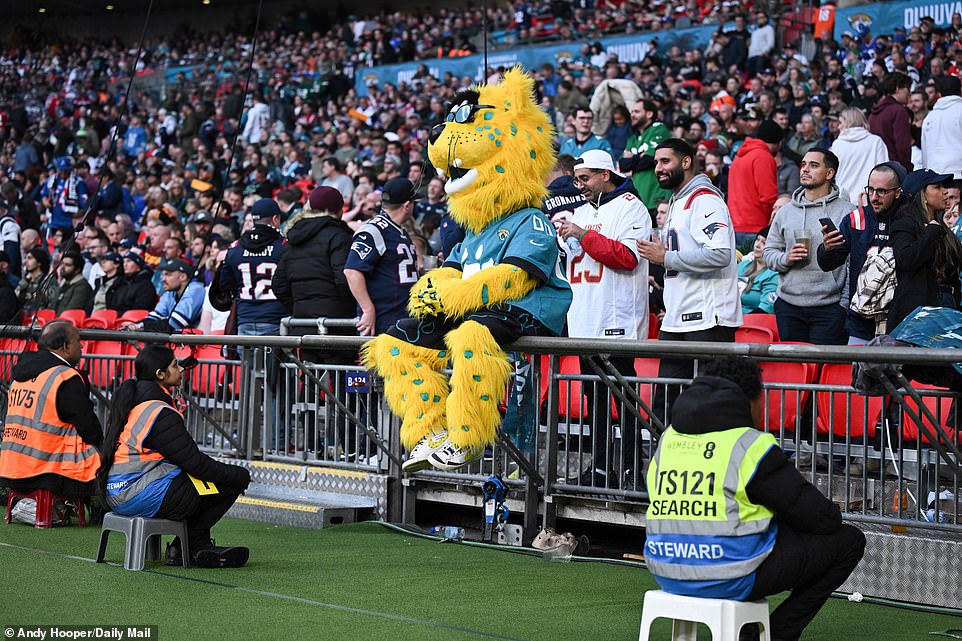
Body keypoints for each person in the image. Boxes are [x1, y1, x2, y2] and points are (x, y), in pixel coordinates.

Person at [645, 356, 865, 641]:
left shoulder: (669, 438)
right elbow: (819, 516)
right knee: (849, 541)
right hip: (727, 574)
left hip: (666, 569)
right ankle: (778, 635)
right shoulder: (748, 444)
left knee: (753, 539)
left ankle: (748, 631)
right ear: (748, 400)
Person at [99, 345, 251, 568]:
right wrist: (239, 475)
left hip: (117, 493)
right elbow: (195, 463)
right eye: (174, 365)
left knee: (196, 482)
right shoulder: (158, 412)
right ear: (160, 374)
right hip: (136, 494)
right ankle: (189, 546)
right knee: (225, 483)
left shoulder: (134, 402)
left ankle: (190, 546)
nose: (180, 369)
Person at [558, 149, 651, 488]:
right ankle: (598, 468)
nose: (579, 185)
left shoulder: (631, 207)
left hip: (617, 319)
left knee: (624, 398)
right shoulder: (579, 212)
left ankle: (630, 470)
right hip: (584, 318)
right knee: (593, 399)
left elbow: (626, 257)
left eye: (585, 179)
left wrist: (580, 234)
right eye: (577, 179)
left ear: (605, 175)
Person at [636, 139, 741, 421]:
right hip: (678, 317)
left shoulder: (704, 198)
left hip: (708, 318)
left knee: (709, 407)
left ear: (686, 162)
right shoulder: (678, 200)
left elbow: (720, 254)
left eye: (665, 161)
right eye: (656, 162)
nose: (658, 168)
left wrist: (666, 258)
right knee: (665, 407)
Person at [0, 321, 102, 499]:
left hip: (11, 468)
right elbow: (90, 429)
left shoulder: (20, 374)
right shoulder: (65, 377)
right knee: (103, 455)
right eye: (78, 341)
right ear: (65, 347)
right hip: (50, 472)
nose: (82, 346)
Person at [764, 149, 852, 344]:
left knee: (823, 371)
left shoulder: (848, 212)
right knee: (794, 372)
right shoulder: (785, 212)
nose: (805, 170)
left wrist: (843, 305)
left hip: (830, 308)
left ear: (830, 173)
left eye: (813, 165)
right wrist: (786, 258)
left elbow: (853, 263)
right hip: (788, 305)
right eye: (803, 164)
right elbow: (768, 253)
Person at [817, 162, 907, 343]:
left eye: (882, 191)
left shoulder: (910, 220)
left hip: (900, 320)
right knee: (858, 371)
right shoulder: (855, 219)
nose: (874, 197)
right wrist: (826, 249)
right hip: (862, 321)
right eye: (870, 189)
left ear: (898, 192)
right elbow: (830, 263)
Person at [273, 185, 357, 353]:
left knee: (311, 376)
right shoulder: (339, 236)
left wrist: (300, 307)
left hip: (303, 326)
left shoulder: (292, 238)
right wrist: (348, 309)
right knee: (338, 376)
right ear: (339, 210)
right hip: (337, 328)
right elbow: (343, 279)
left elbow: (278, 285)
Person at [344, 177, 419, 336]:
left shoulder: (398, 230)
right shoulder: (374, 230)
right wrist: (367, 309)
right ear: (407, 205)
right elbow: (352, 271)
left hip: (401, 319)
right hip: (383, 322)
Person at [888, 169, 962, 331]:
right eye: (937, 187)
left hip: (948, 305)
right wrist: (931, 233)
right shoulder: (905, 223)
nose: (944, 191)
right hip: (917, 311)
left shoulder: (943, 227)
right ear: (922, 195)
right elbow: (907, 260)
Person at [213, 198, 287, 336]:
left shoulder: (235, 247)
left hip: (244, 318)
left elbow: (225, 284)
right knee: (273, 358)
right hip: (275, 317)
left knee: (247, 358)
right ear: (276, 219)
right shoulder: (284, 246)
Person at [728, 120, 782, 246]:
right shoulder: (764, 157)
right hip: (756, 227)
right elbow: (768, 197)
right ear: (777, 142)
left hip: (735, 226)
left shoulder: (739, 156)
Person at [619, 100, 672, 215]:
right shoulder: (632, 138)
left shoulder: (659, 129)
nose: (632, 115)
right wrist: (639, 157)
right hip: (639, 200)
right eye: (632, 112)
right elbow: (623, 165)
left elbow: (649, 160)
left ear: (649, 114)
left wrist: (633, 159)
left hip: (657, 198)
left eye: (637, 111)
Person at [122, 259, 205, 333]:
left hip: (200, 344)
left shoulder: (196, 290)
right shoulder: (170, 292)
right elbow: (154, 317)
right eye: (163, 275)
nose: (163, 279)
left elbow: (175, 323)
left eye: (168, 274)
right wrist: (135, 325)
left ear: (182, 277)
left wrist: (140, 326)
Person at [830, 107, 889, 203]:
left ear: (848, 122)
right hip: (870, 200)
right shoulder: (876, 142)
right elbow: (884, 172)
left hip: (843, 200)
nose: (838, 127)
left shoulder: (837, 144)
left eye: (840, 123)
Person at [869, 72, 913, 172]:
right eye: (907, 88)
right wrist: (906, 168)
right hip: (896, 169)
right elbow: (903, 146)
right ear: (897, 89)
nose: (909, 93)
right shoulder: (898, 111)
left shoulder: (873, 114)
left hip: (877, 168)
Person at [921, 75, 962, 179]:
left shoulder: (929, 118)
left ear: (939, 94)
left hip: (935, 177)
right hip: (958, 175)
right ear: (960, 90)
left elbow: (925, 153)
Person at [39, 156, 87, 239]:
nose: (63, 172)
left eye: (66, 170)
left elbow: (84, 202)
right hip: (54, 221)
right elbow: (44, 195)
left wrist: (77, 214)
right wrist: (45, 202)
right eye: (61, 169)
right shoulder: (52, 180)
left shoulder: (78, 182)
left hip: (69, 222)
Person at [738, 226, 779, 315]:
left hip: (752, 324)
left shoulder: (773, 275)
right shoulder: (742, 266)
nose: (757, 245)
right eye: (757, 240)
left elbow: (766, 309)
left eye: (764, 243)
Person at [15, 247, 58, 318]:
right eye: (26, 258)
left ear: (39, 262)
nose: (26, 261)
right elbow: (16, 296)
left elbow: (52, 302)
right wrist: (24, 282)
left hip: (40, 319)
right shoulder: (25, 280)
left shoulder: (47, 280)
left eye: (30, 258)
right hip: (22, 318)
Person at [54, 250, 93, 314]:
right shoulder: (63, 283)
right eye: (62, 264)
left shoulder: (83, 287)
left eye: (67, 265)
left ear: (77, 270)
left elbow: (70, 311)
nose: (62, 267)